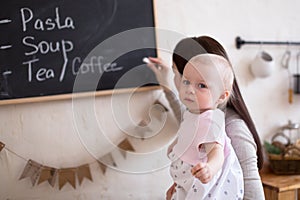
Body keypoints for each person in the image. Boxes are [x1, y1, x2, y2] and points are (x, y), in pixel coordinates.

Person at [146, 36, 265, 200]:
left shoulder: (233, 128)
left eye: (176, 74)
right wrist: (185, 187)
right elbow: (185, 118)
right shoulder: (198, 113)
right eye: (185, 80)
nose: (175, 81)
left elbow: (255, 197)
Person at [168, 54, 244, 199]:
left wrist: (210, 168)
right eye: (186, 82)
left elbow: (217, 153)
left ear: (222, 96)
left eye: (201, 85)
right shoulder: (192, 114)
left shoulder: (211, 120)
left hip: (202, 183)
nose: (190, 89)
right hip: (188, 181)